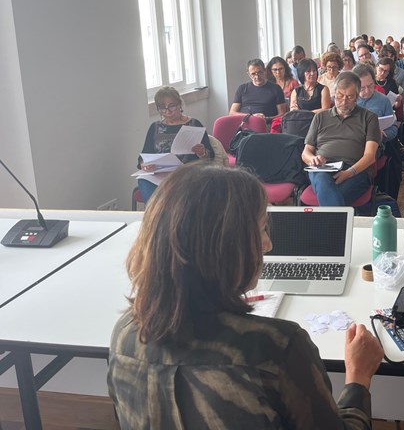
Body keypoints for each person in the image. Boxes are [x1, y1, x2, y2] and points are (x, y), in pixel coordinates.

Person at [109, 164, 383, 429]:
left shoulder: (125, 334)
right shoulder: (276, 346)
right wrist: (358, 377)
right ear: (226, 246)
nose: (268, 245)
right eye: (262, 229)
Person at [302, 71, 380, 206]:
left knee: (333, 196)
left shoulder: (369, 118)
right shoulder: (320, 117)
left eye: (349, 97)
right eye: (340, 96)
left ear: (357, 96)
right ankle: (337, 219)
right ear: (334, 94)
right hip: (323, 168)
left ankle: (330, 219)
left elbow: (370, 156)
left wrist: (348, 173)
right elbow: (306, 152)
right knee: (324, 183)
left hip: (355, 170)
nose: (344, 102)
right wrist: (312, 159)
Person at [137, 86, 213, 203]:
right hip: (160, 173)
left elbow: (211, 156)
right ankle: (156, 213)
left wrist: (202, 152)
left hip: (187, 172)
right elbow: (143, 156)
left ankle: (171, 213)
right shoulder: (155, 127)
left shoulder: (194, 124)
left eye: (172, 106)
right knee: (143, 180)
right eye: (162, 108)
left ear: (179, 104)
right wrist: (144, 164)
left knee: (178, 186)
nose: (167, 112)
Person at [353, 64, 398, 143]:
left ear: (374, 81)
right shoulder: (348, 99)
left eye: (370, 85)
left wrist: (383, 134)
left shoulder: (384, 100)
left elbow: (393, 128)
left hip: (375, 143)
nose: (367, 91)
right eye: (362, 88)